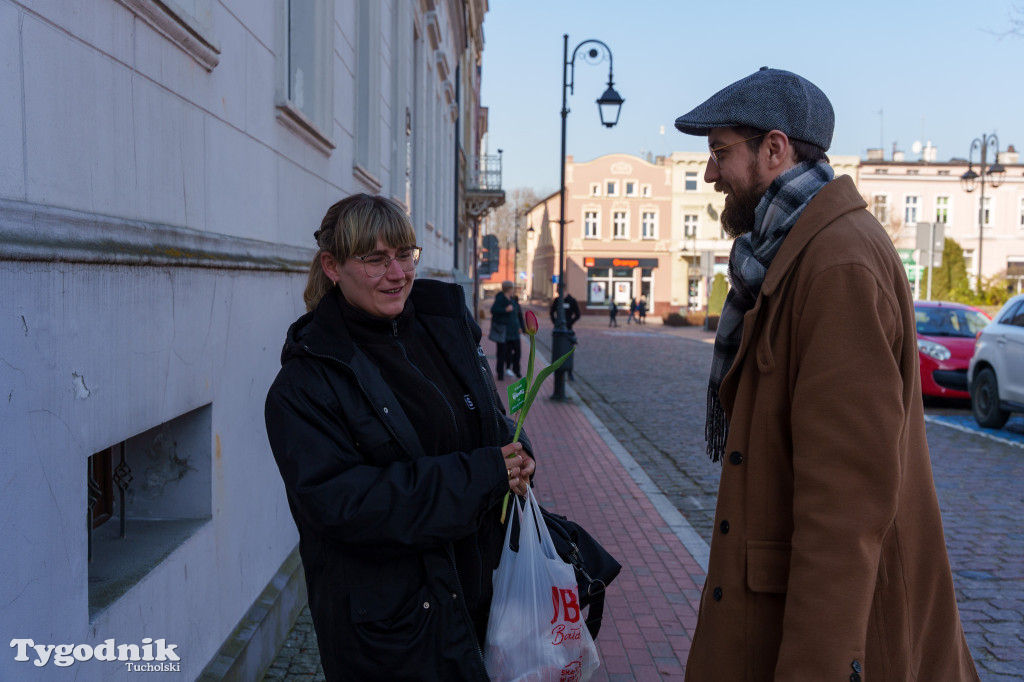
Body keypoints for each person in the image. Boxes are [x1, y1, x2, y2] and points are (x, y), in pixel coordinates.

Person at [674, 68, 979, 681]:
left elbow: (843, 505)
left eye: (720, 152)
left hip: (832, 635)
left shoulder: (835, 264)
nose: (710, 175)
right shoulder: (792, 251)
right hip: (773, 610)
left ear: (775, 148)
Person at [264, 194, 536, 681]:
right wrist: (484, 473)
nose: (398, 274)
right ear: (332, 266)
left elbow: (491, 425)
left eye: (405, 254)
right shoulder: (306, 385)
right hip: (396, 635)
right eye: (374, 259)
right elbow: (345, 505)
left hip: (488, 602)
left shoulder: (445, 332)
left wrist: (520, 456)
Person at [491, 281, 518, 381]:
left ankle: (508, 369)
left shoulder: (511, 299)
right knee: (501, 352)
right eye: (512, 288)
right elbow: (493, 310)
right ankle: (500, 373)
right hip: (502, 330)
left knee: (510, 351)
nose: (513, 289)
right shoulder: (501, 298)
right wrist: (505, 310)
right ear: (508, 288)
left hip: (511, 331)